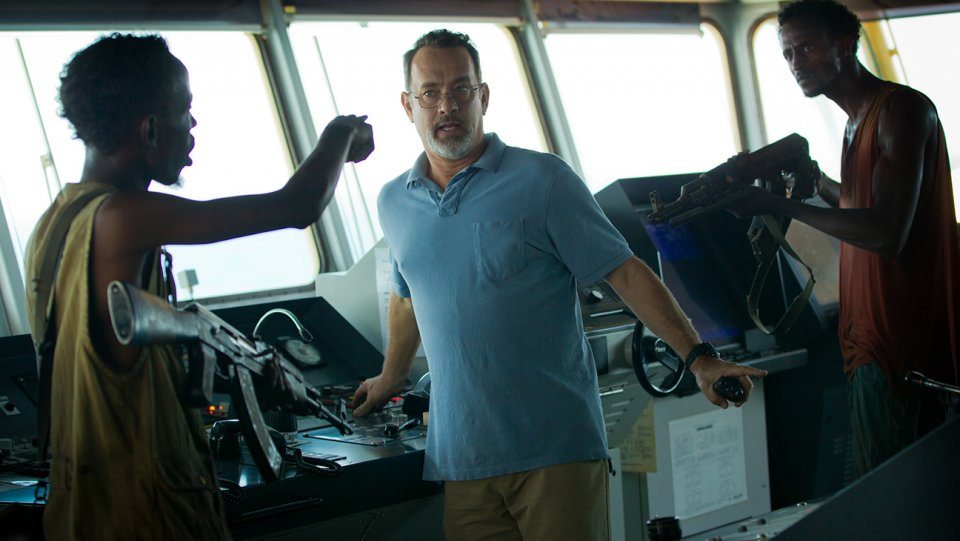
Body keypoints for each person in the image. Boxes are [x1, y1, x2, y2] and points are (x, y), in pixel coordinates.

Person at [349, 29, 766, 541]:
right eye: (430, 93)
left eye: (460, 89)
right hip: (462, 458)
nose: (446, 106)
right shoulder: (394, 201)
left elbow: (625, 272)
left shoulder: (543, 180)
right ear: (407, 105)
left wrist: (699, 359)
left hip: (554, 452)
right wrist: (390, 377)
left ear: (483, 96)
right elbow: (406, 296)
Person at [23, 33, 373, 540]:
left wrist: (243, 371)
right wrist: (342, 133)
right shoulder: (122, 217)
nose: (192, 126)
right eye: (184, 111)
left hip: (88, 506)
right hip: (141, 513)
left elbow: (117, 359)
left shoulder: (55, 224)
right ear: (149, 129)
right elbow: (296, 207)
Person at [729, 0, 960, 477]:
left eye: (806, 48)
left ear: (845, 45)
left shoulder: (900, 110)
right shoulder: (856, 124)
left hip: (903, 352)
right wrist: (817, 184)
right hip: (866, 346)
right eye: (788, 54)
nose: (796, 63)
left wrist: (781, 206)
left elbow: (887, 232)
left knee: (900, 498)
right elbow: (862, 207)